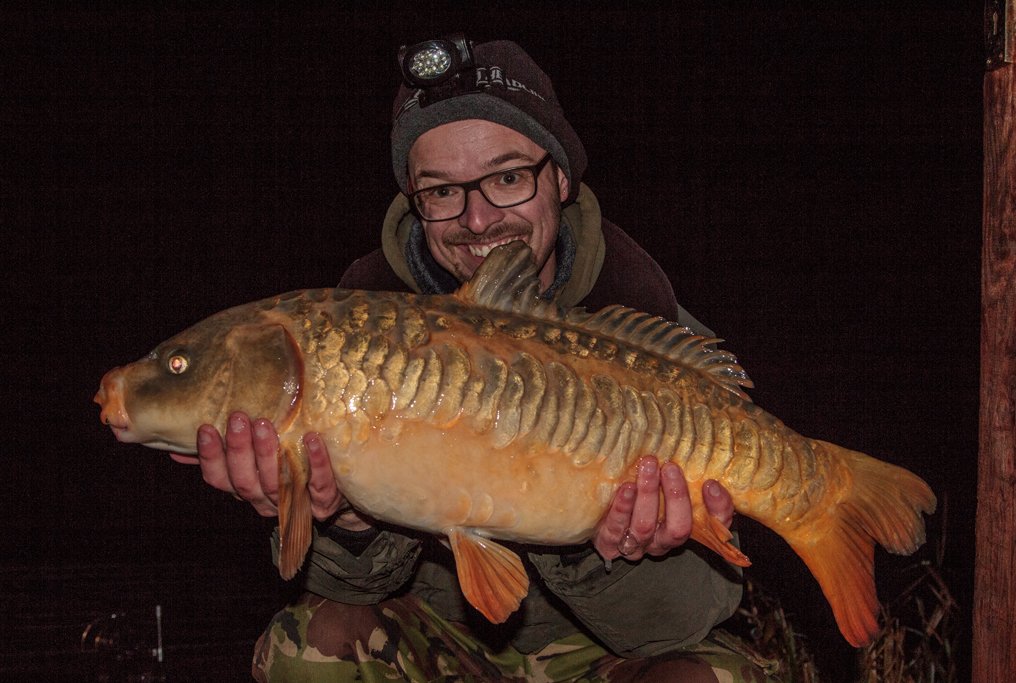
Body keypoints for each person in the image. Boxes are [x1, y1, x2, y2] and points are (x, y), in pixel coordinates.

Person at [174, 37, 776, 682]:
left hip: (604, 652)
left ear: (562, 178)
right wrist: (347, 522)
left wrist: (601, 546)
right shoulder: (353, 340)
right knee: (307, 652)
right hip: (438, 640)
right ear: (414, 202)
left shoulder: (658, 341)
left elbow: (677, 626)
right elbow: (340, 586)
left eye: (509, 177)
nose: (479, 218)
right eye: (441, 191)